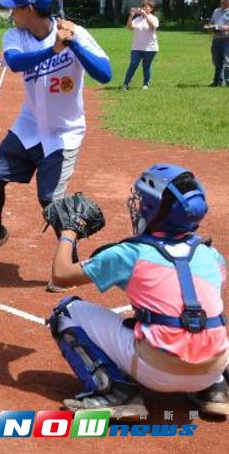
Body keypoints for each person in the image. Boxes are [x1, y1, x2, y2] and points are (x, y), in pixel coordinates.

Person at [46, 164, 228, 419]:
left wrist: (69, 232)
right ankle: (215, 390)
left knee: (66, 311)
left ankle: (115, 393)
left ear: (152, 210)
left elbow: (61, 274)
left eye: (143, 201)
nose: (138, 204)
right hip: (213, 365)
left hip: (157, 373)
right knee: (205, 319)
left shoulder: (130, 254)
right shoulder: (212, 255)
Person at [0, 0, 112, 277]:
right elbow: (15, 63)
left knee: (50, 201)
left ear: (30, 10)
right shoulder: (15, 36)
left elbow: (105, 74)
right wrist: (53, 49)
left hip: (64, 132)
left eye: (16, 9)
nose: (11, 14)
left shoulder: (77, 34)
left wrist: (73, 44)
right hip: (30, 125)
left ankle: (70, 265)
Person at [122, 0, 159, 90]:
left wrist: (146, 16)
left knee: (146, 66)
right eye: (143, 7)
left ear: (151, 9)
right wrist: (131, 17)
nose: (144, 8)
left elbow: (152, 27)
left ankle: (146, 84)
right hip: (136, 47)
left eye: (147, 7)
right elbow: (129, 27)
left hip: (150, 47)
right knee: (133, 65)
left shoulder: (154, 18)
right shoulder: (137, 19)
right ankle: (125, 84)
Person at [206, 0, 229, 87]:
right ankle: (217, 82)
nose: (223, 1)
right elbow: (212, 23)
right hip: (216, 39)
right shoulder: (216, 11)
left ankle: (228, 81)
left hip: (227, 39)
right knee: (216, 61)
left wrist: (225, 27)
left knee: (227, 61)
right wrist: (210, 27)